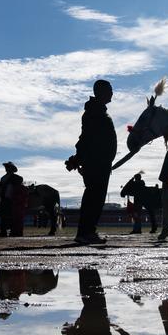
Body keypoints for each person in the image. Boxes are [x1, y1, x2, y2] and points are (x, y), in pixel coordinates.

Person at [66, 80, 117, 245]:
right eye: (109, 90)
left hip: (101, 163)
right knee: (93, 199)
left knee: (95, 198)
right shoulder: (94, 112)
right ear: (101, 92)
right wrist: (78, 158)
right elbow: (86, 138)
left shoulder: (98, 111)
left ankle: (88, 231)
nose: (112, 93)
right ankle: (85, 232)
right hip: (96, 163)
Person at [0, 162, 25, 237]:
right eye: (6, 167)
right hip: (4, 199)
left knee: (12, 216)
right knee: (3, 216)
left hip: (13, 199)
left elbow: (20, 181)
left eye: (8, 167)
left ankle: (14, 231)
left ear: (11, 169)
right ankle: (3, 231)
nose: (6, 168)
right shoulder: (3, 178)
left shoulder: (16, 177)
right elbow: (0, 187)